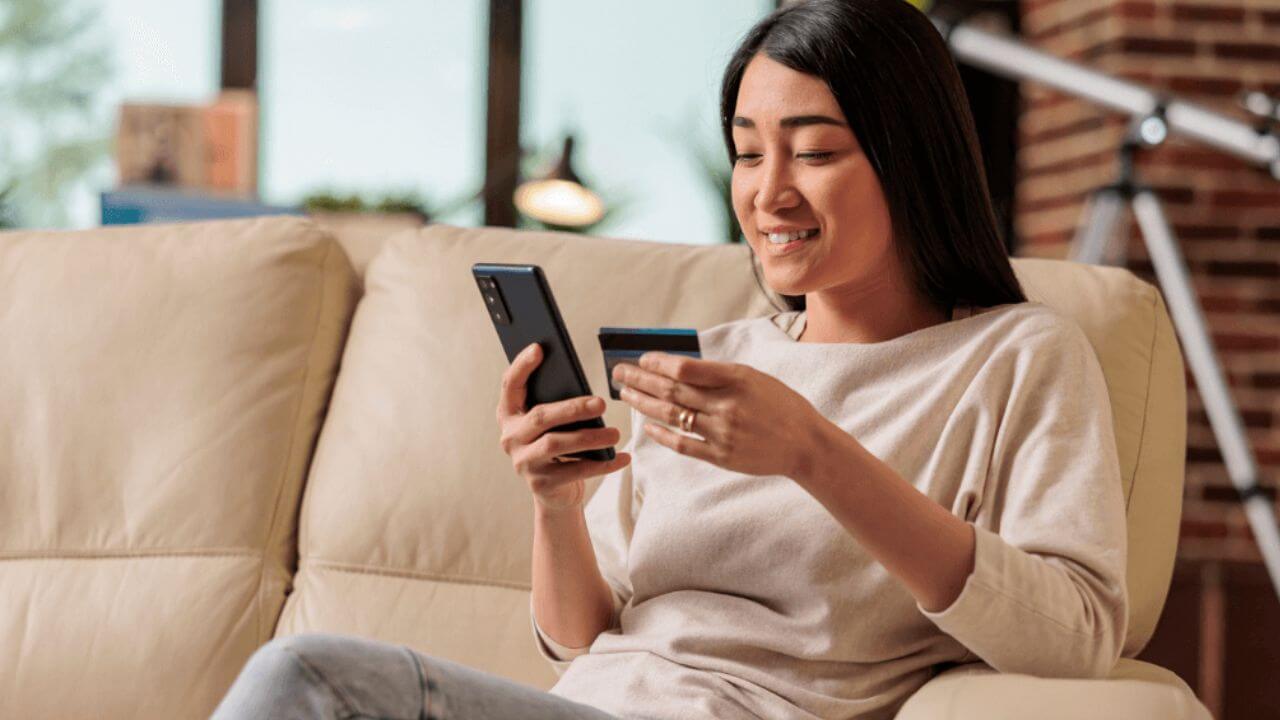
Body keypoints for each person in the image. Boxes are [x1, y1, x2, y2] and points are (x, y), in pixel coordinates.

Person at [212, 1, 1128, 718]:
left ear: (911, 158)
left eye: (814, 153)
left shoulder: (1015, 357)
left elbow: (1078, 634)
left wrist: (813, 450)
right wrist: (556, 505)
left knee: (314, 684)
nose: (769, 192)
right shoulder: (714, 363)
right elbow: (582, 641)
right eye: (745, 153)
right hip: (585, 705)